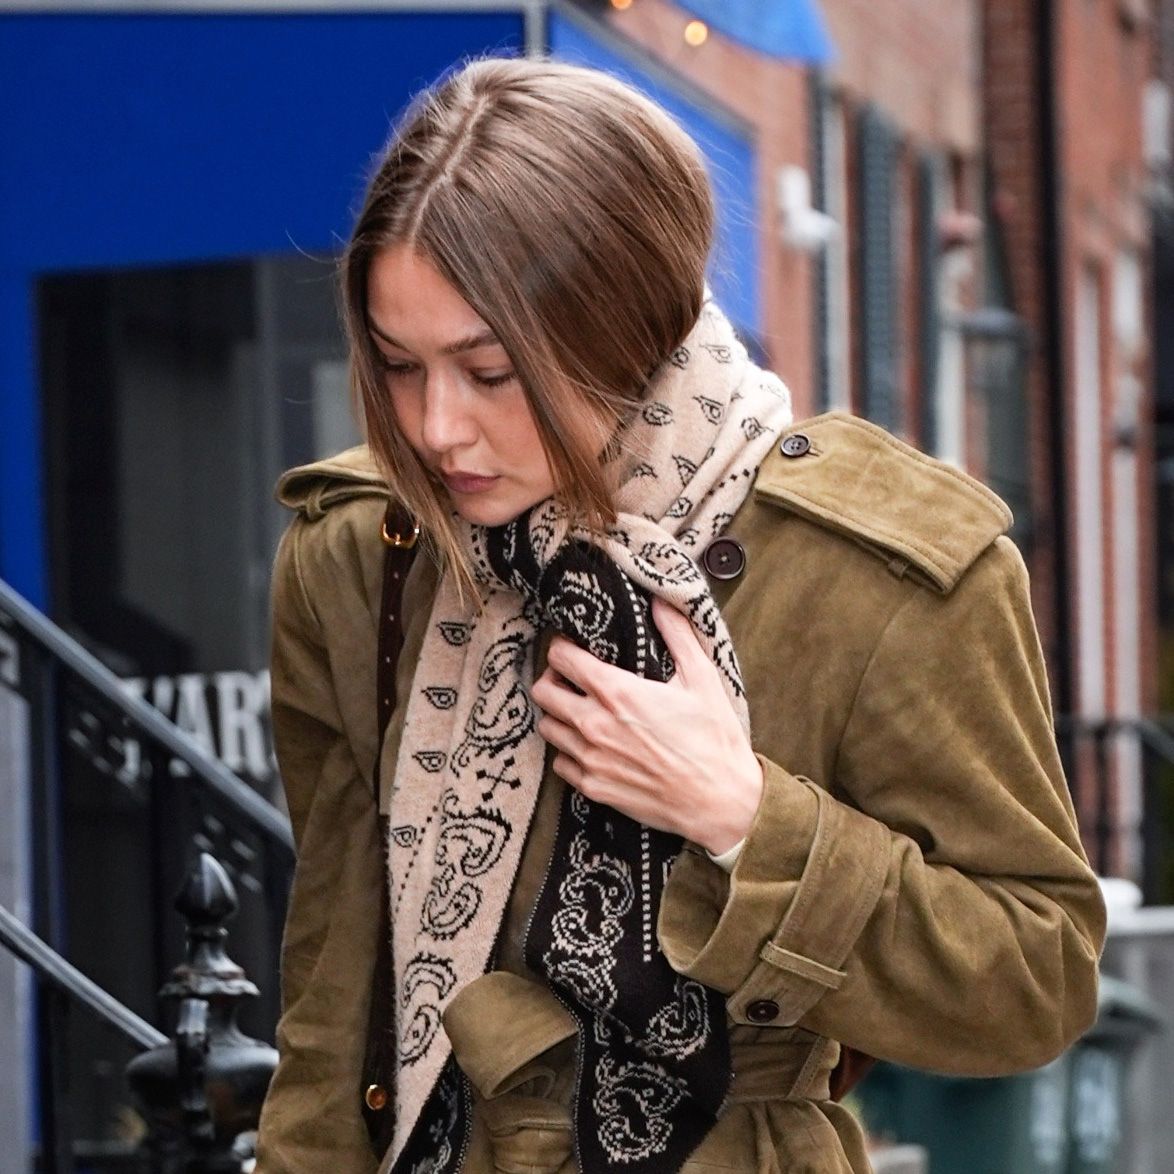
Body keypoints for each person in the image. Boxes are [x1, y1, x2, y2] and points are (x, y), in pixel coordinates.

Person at [255, 57, 1105, 1174]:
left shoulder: (878, 574)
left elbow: (1033, 979)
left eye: (491, 370)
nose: (436, 429)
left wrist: (742, 812)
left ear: (627, 326)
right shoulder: (360, 555)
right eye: (399, 366)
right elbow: (335, 982)